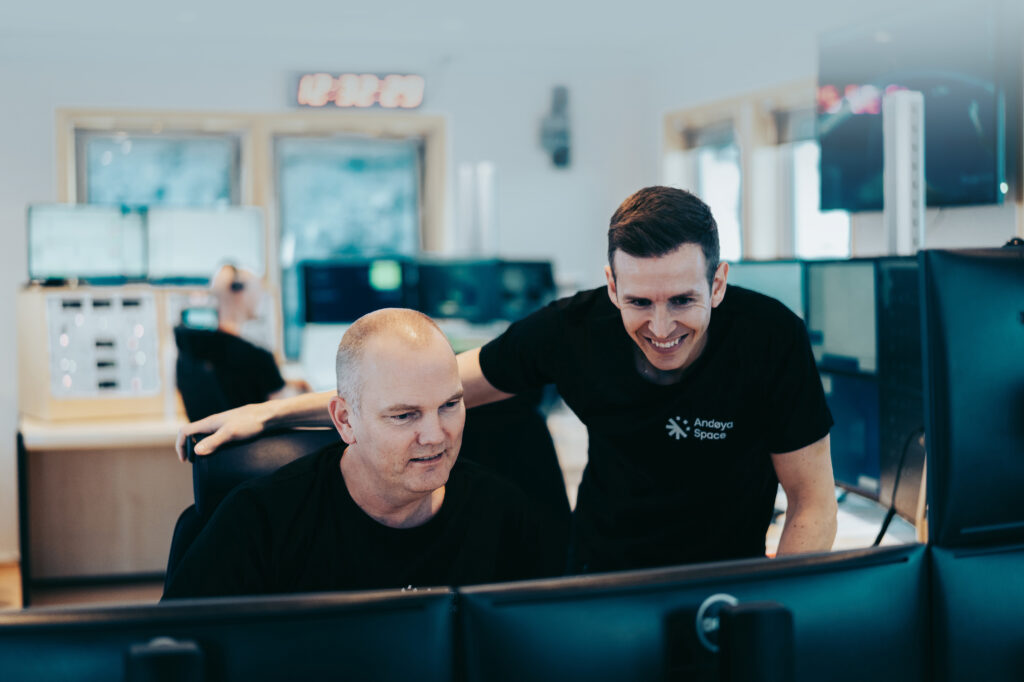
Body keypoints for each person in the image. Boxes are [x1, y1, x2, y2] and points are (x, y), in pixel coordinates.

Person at [177, 187, 837, 573]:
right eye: (639, 303)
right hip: (596, 576)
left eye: (683, 302)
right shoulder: (572, 331)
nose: (661, 327)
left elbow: (810, 502)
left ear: (717, 282)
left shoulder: (769, 339)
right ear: (611, 285)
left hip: (727, 576)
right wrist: (271, 416)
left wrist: (776, 604)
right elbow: (423, 389)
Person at [164, 308, 564, 599]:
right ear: (345, 420)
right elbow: (175, 653)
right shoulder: (261, 520)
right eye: (404, 415)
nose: (435, 436)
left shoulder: (504, 513)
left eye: (449, 405)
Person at [174, 264, 309, 420]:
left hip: (206, 442)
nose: (260, 297)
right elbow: (284, 412)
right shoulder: (257, 358)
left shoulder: (189, 352)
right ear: (240, 292)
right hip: (253, 444)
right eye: (257, 289)